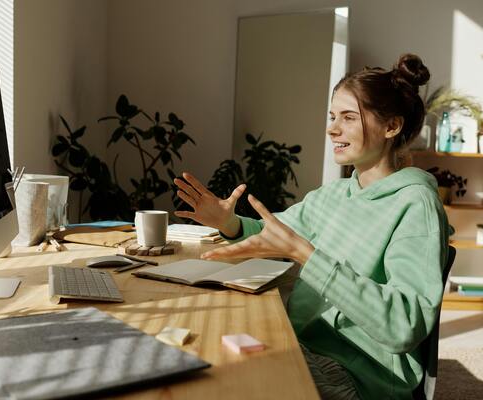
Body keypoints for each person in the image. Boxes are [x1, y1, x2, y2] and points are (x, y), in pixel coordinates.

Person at [173, 54, 452, 400]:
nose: (332, 129)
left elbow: (403, 325)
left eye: (348, 118)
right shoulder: (333, 195)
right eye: (333, 116)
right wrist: (227, 221)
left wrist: (305, 254)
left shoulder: (415, 205)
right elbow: (275, 234)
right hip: (303, 345)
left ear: (391, 127)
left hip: (357, 374)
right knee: (196, 360)